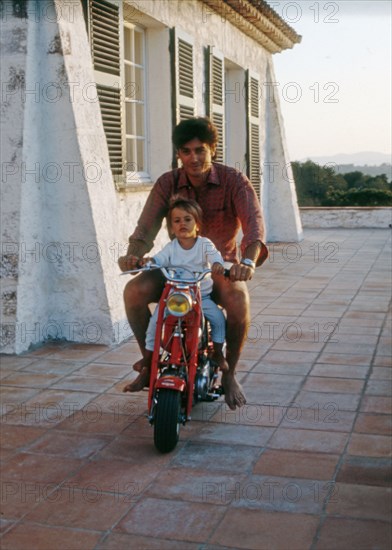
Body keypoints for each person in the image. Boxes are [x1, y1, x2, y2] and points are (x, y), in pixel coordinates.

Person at [118, 116, 268, 410]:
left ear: (213, 149)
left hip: (219, 267)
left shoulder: (233, 180)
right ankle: (149, 364)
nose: (194, 158)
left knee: (238, 302)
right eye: (186, 151)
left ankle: (229, 374)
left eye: (200, 150)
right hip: (176, 266)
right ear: (179, 154)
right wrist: (133, 254)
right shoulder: (167, 182)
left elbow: (254, 227)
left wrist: (247, 262)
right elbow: (144, 229)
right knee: (133, 292)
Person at [123, 196, 227, 392]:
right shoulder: (171, 248)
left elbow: (215, 257)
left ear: (197, 224)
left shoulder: (204, 244)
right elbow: (159, 259)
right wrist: (149, 262)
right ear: (171, 228)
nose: (182, 224)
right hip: (174, 298)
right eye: (177, 221)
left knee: (218, 318)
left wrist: (217, 265)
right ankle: (148, 358)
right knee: (155, 322)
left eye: (188, 219)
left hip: (199, 298)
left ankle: (218, 352)